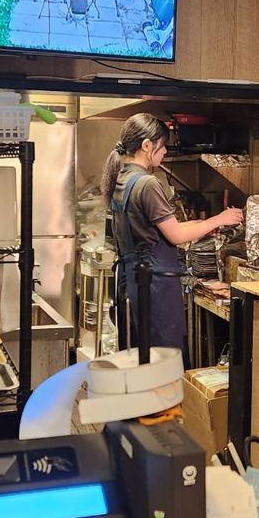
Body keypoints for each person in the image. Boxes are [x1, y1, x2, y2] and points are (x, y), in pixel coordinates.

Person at [101, 114, 243, 360]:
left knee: (142, 359)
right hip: (154, 286)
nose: (165, 151)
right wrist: (220, 219)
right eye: (162, 145)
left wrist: (201, 223)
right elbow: (176, 235)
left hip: (133, 281)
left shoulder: (123, 178)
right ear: (147, 146)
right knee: (164, 360)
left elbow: (155, 228)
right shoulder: (147, 183)